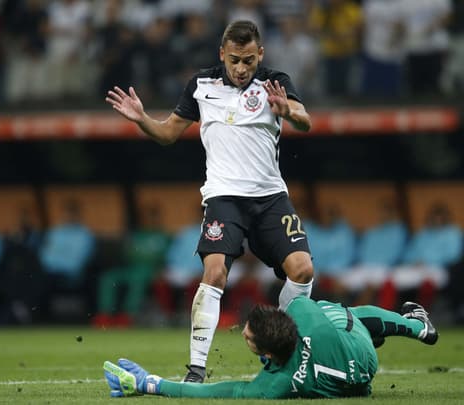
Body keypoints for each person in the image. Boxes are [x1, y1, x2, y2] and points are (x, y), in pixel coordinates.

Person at [106, 19, 314, 383]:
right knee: (215, 271)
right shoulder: (201, 85)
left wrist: (289, 112)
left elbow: (305, 121)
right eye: (234, 59)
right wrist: (141, 118)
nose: (241, 68)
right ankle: (197, 368)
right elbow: (169, 133)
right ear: (222, 53)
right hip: (223, 198)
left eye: (249, 60)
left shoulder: (274, 82)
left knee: (303, 270)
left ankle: (285, 354)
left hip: (270, 198)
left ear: (260, 54)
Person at [104, 297, 438, 399]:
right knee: (340, 312)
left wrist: (151, 384)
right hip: (361, 352)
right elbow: (307, 306)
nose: (243, 335)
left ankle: (417, 326)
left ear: (268, 353)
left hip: (362, 380)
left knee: (339, 315)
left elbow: (223, 392)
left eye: (248, 337)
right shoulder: (303, 312)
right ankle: (418, 327)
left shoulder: (278, 383)